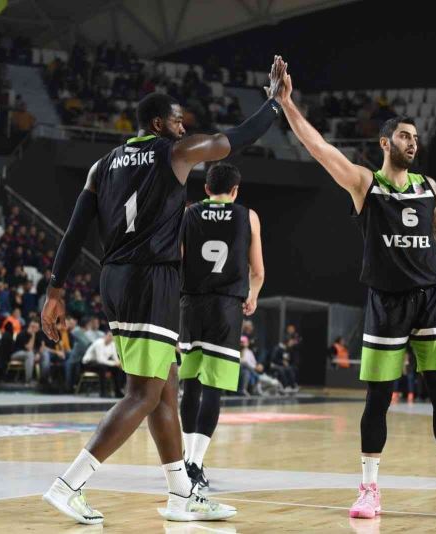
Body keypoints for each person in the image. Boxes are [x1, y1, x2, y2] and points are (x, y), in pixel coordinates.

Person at [40, 58, 285, 525]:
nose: (182, 128)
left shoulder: (101, 165)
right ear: (157, 124)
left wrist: (55, 290)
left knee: (166, 391)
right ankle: (68, 485)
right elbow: (234, 139)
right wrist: (275, 104)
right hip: (151, 279)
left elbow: (74, 231)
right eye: (176, 121)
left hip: (116, 277)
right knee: (142, 393)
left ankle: (181, 494)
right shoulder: (174, 152)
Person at [278, 66, 436, 522]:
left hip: (429, 298)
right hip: (386, 301)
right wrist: (288, 104)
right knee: (378, 398)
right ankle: (369, 488)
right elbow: (320, 149)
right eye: (405, 136)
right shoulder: (365, 184)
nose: (413, 143)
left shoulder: (428, 187)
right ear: (385, 143)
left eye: (416, 138)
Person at [177, 162, 265, 489]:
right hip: (226, 308)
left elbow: (177, 259)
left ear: (206, 189)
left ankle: (185, 459)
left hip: (191, 304)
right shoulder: (249, 216)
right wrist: (252, 296)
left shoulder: (188, 214)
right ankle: (195, 462)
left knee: (190, 385)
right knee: (213, 386)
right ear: (235, 190)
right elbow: (258, 271)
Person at [81, 331, 125, 397]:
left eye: (112, 337)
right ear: (105, 336)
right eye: (109, 336)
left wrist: (119, 364)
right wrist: (114, 364)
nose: (110, 338)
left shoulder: (112, 344)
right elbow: (100, 360)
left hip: (102, 364)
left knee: (117, 369)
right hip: (88, 363)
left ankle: (118, 391)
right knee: (102, 368)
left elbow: (115, 358)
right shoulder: (98, 343)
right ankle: (103, 392)